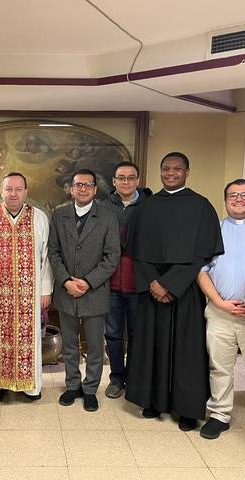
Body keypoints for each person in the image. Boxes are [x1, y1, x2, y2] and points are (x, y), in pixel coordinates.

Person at [125, 152, 224, 431]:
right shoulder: (145, 208)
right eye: (166, 169)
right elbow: (136, 253)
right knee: (151, 346)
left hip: (185, 291)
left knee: (187, 351)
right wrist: (153, 283)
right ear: (160, 171)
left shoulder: (201, 206)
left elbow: (202, 254)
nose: (171, 173)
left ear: (187, 172)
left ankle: (187, 408)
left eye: (177, 169)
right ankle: (152, 401)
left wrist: (170, 284)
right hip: (151, 290)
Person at [196, 179, 245, 451]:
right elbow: (201, 270)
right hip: (220, 311)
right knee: (220, 366)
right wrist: (219, 302)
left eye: (244, 195)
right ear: (225, 199)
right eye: (232, 196)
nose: (238, 200)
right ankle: (219, 414)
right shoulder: (212, 230)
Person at [0, 172, 53, 402]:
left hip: (31, 293)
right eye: (9, 189)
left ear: (26, 192)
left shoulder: (39, 218)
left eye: (18, 189)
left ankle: (30, 387)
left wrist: (46, 290)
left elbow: (46, 257)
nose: (13, 193)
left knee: (30, 338)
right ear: (1, 191)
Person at [48, 168, 120, 412]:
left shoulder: (108, 217)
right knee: (69, 344)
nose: (82, 189)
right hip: (66, 291)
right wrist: (67, 281)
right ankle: (72, 385)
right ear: (71, 188)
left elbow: (112, 257)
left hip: (94, 292)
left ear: (95, 189)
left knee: (95, 346)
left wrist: (87, 282)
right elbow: (53, 252)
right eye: (78, 185)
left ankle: (90, 389)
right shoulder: (59, 215)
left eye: (88, 185)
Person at [97, 161, 152, 399]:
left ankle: (137, 379)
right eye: (121, 178)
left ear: (138, 180)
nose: (126, 182)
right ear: (114, 181)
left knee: (140, 333)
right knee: (114, 333)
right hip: (110, 284)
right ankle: (117, 377)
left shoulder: (150, 205)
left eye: (131, 178)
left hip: (140, 284)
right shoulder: (102, 207)